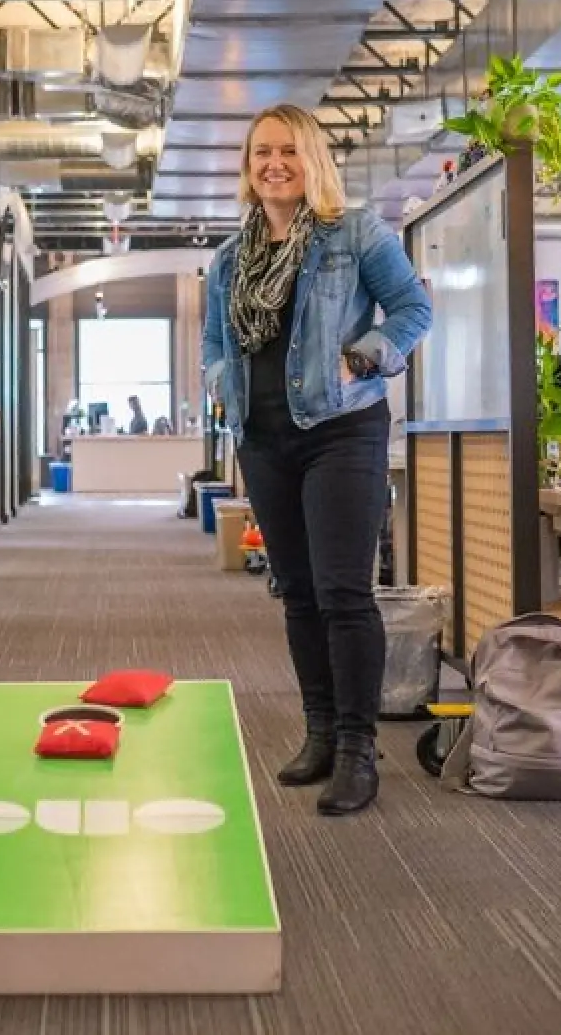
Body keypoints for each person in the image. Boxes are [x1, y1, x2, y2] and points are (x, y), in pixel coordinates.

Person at [202, 104, 431, 817]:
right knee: (296, 593)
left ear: (313, 161)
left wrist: (365, 357)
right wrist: (219, 386)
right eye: (262, 152)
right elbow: (214, 343)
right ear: (248, 164)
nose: (274, 164)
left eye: (289, 152)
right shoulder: (230, 259)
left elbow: (413, 310)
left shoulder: (352, 234)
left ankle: (361, 749)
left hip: (341, 429)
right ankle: (322, 732)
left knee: (342, 592)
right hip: (263, 438)